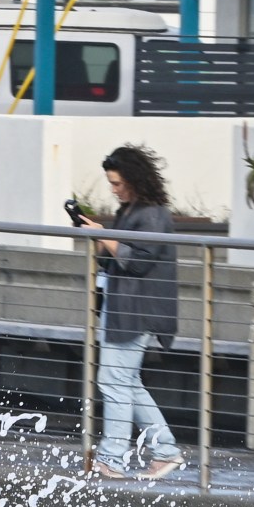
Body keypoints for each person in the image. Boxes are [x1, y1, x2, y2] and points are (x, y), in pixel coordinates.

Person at [81, 144, 184, 480]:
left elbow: (140, 260)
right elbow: (120, 256)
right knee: (126, 381)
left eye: (118, 183)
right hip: (124, 306)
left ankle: (112, 458)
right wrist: (103, 240)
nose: (113, 189)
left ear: (136, 180)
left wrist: (105, 237)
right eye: (111, 183)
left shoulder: (152, 213)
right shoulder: (133, 209)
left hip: (136, 309)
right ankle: (165, 451)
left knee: (113, 381)